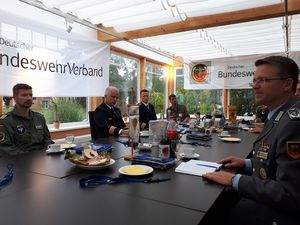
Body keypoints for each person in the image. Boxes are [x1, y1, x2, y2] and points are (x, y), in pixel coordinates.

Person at [202, 56, 300, 225]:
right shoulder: (279, 113)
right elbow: (276, 161)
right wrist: (247, 163)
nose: (254, 86)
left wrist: (234, 180)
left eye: (263, 80)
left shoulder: (294, 123)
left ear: (287, 84)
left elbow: (289, 194)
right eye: (254, 80)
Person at [0, 83, 53, 156]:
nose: (29, 98)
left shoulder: (39, 118)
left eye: (30, 95)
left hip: (42, 159)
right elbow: (7, 149)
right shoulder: (5, 121)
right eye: (24, 95)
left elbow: (47, 140)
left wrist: (49, 152)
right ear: (15, 97)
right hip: (19, 163)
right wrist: (32, 159)